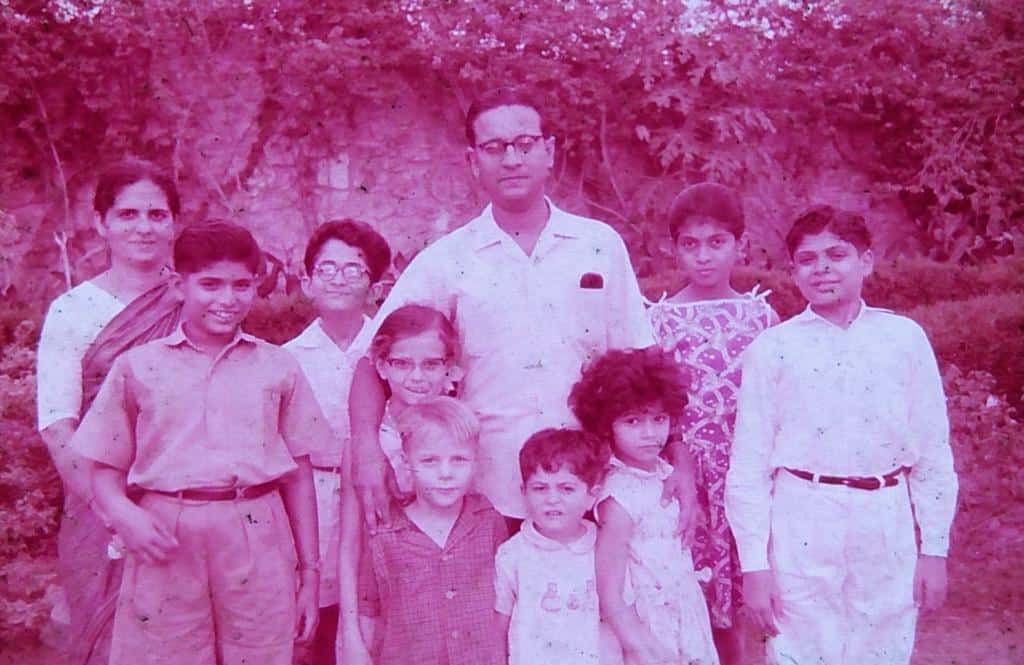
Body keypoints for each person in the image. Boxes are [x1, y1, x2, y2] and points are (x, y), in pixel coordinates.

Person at [349, 86, 655, 526]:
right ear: (473, 162)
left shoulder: (598, 245)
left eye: (525, 145)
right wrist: (365, 448)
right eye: (494, 148)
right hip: (488, 495)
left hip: (589, 488)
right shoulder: (446, 261)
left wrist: (673, 453)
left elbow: (640, 360)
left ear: (548, 152)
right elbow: (369, 358)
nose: (511, 160)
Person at [71, 221, 326, 665]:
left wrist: (310, 573)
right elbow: (103, 471)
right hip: (166, 535)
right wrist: (124, 515)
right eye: (210, 284)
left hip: (257, 531)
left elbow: (299, 476)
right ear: (177, 284)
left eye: (241, 285)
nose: (227, 300)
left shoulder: (277, 367)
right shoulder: (137, 367)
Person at [725, 206, 958, 664]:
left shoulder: (903, 338)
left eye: (837, 255)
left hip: (884, 515)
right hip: (803, 518)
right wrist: (755, 565)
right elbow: (748, 467)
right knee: (801, 651)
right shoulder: (773, 350)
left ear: (866, 261)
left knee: (883, 648)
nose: (823, 268)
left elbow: (932, 452)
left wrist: (935, 549)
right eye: (808, 260)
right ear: (793, 272)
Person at [36, 158, 183, 665]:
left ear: (173, 223)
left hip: (186, 507)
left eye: (157, 214)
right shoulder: (73, 310)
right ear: (101, 223)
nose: (143, 227)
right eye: (127, 214)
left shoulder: (196, 301)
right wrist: (117, 513)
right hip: (100, 510)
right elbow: (58, 425)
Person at [646, 182, 777, 664]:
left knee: (753, 594)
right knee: (692, 593)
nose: (704, 256)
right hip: (685, 474)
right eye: (691, 244)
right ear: (675, 247)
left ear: (740, 244)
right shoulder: (658, 321)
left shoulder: (761, 317)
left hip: (745, 474)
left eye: (717, 242)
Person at [283, 219, 391, 665]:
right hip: (316, 501)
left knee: (378, 611)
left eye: (354, 269)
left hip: (381, 495)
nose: (339, 279)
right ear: (307, 282)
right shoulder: (287, 358)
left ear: (376, 287)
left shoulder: (390, 348)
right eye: (326, 269)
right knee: (321, 616)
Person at [572, 347, 719, 665]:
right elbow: (609, 590)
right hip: (646, 623)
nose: (649, 433)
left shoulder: (666, 476)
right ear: (606, 425)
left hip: (682, 610)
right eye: (633, 421)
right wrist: (638, 644)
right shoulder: (617, 497)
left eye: (659, 419)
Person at [358, 396, 507, 665]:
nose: (446, 473)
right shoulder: (385, 535)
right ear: (406, 461)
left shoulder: (489, 521)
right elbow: (369, 611)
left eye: (459, 459)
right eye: (429, 461)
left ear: (476, 460)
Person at [494, 428, 611, 665]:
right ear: (523, 493)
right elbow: (499, 623)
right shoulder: (512, 554)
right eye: (540, 488)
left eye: (566, 488)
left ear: (591, 496)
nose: (552, 499)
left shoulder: (605, 547)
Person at [367, 303, 464, 494]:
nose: (417, 377)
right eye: (402, 364)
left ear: (449, 367)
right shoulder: (371, 439)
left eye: (431, 364)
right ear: (381, 367)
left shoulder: (461, 430)